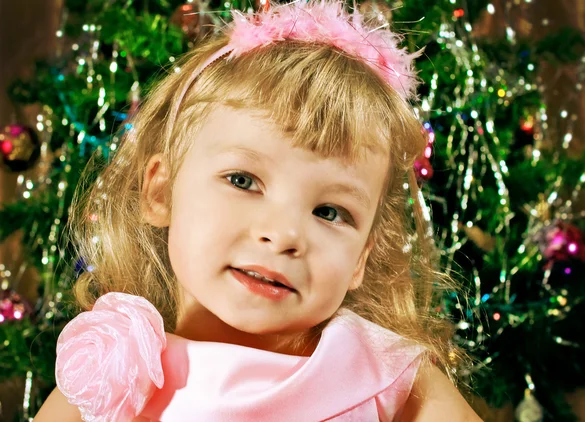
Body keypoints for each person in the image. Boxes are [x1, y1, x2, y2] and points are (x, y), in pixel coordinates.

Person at [35, 1, 482, 420]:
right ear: (161, 191)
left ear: (361, 258)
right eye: (243, 181)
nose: (284, 234)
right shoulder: (111, 371)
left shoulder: (388, 376)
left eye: (329, 212)